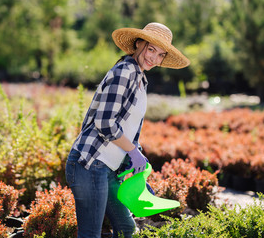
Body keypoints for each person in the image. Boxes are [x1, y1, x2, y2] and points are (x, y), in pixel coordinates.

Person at [65, 22, 190, 238]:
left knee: (126, 227)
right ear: (138, 43)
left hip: (106, 168)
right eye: (151, 49)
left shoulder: (141, 78)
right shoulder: (125, 71)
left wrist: (135, 163)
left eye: (160, 55)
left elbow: (127, 128)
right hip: (89, 163)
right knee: (90, 234)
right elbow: (105, 123)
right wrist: (133, 151)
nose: (153, 58)